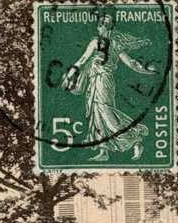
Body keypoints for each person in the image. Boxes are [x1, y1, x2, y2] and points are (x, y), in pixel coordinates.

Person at [61, 13, 155, 162]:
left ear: (111, 26)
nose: (104, 25)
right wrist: (71, 72)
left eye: (107, 23)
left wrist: (146, 71)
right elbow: (83, 59)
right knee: (96, 114)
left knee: (105, 111)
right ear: (98, 26)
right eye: (102, 23)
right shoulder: (94, 42)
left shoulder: (116, 43)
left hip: (105, 80)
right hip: (93, 80)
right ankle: (103, 151)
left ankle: (135, 139)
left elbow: (131, 63)